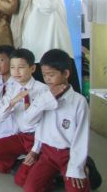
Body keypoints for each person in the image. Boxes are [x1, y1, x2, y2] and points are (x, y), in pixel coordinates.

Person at [15, 49, 101, 191]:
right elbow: (28, 121)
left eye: (51, 75)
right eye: (44, 75)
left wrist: (76, 168)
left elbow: (81, 137)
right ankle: (59, 176)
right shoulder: (43, 96)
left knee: (77, 187)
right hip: (47, 153)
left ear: (66, 74)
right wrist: (35, 150)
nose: (47, 79)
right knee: (29, 187)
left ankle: (87, 169)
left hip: (69, 154)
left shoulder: (79, 102)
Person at [0, 49, 50, 175]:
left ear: (32, 68)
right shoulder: (12, 89)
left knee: (23, 179)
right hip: (22, 137)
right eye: (13, 67)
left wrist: (35, 149)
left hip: (40, 137)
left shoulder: (43, 90)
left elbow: (47, 124)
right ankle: (21, 161)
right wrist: (13, 101)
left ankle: (45, 165)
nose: (16, 72)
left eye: (21, 67)